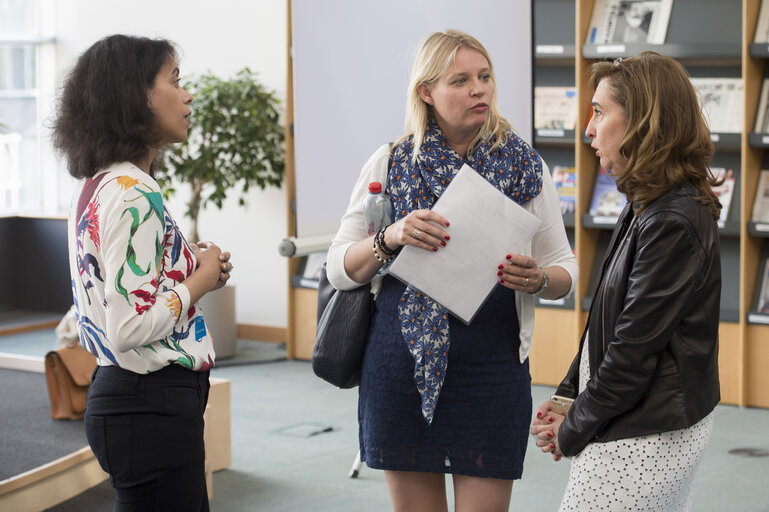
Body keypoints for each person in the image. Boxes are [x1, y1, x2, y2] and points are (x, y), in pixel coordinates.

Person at [326, 30, 578, 511]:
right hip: (401, 367)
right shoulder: (391, 160)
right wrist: (389, 237)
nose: (479, 89)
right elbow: (339, 269)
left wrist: (540, 280)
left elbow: (564, 268)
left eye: (484, 77)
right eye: (460, 80)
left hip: (491, 370)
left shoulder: (525, 166)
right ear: (427, 92)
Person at [530, 51, 722, 511]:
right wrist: (567, 397)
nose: (588, 130)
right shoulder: (648, 202)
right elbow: (608, 322)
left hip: (645, 428)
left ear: (643, 122)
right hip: (629, 416)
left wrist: (573, 428)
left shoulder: (671, 218)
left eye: (599, 112)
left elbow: (632, 352)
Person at [53, 34, 232, 511]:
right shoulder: (134, 193)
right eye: (175, 81)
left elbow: (122, 292)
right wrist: (200, 278)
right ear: (135, 97)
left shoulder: (100, 184)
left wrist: (187, 265)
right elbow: (129, 326)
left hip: (132, 401)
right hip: (148, 405)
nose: (188, 94)